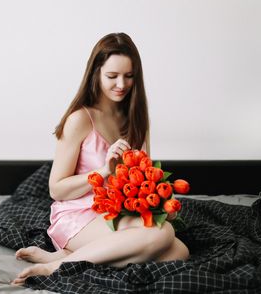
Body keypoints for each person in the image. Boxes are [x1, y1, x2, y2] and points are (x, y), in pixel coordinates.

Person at [11, 32, 189, 285]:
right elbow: (57, 189)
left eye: (129, 76)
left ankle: (68, 256)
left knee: (179, 252)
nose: (121, 84)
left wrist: (161, 203)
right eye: (112, 76)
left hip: (116, 211)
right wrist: (104, 171)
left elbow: (142, 180)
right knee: (163, 235)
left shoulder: (137, 119)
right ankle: (56, 267)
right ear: (96, 73)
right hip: (78, 213)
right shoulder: (80, 119)